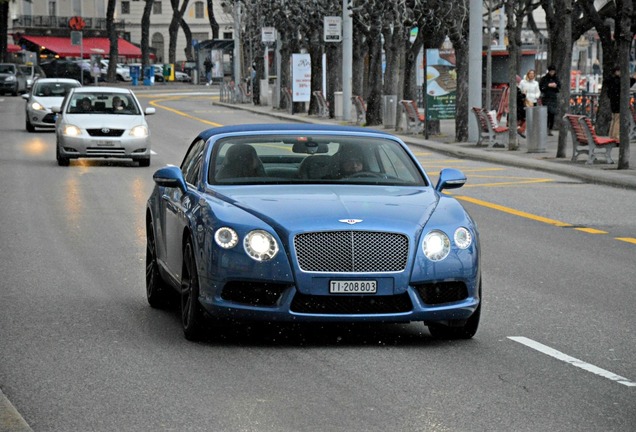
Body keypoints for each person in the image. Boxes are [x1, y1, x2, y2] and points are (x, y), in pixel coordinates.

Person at [603, 66, 636, 140]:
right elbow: (627, 84)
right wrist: (633, 79)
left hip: (613, 103)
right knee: (618, 120)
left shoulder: (611, 80)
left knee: (614, 119)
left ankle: (611, 135)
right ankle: (616, 136)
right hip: (618, 103)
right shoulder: (618, 81)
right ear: (617, 72)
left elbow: (609, 93)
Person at [539, 65, 561, 136]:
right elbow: (541, 87)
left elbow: (559, 88)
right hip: (546, 97)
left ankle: (550, 128)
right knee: (546, 113)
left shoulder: (556, 79)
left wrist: (555, 86)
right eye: (551, 71)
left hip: (553, 98)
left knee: (552, 114)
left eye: (553, 71)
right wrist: (548, 86)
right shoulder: (544, 79)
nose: (552, 73)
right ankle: (545, 128)